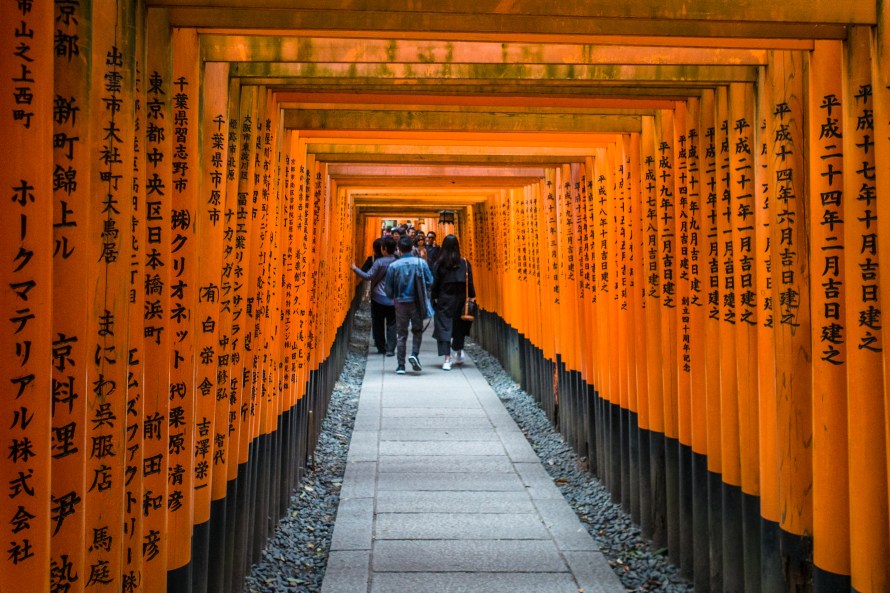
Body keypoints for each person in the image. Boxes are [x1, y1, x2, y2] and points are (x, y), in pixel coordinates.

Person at [384, 236, 433, 374]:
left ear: (399, 249)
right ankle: (414, 355)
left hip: (400, 303)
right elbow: (430, 280)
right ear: (412, 248)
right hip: (417, 302)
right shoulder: (421, 263)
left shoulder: (393, 266)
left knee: (401, 333)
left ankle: (401, 365)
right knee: (417, 330)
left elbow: (388, 289)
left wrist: (393, 298)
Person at [431, 234, 475, 370]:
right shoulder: (464, 263)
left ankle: (446, 360)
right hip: (460, 300)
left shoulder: (439, 264)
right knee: (459, 326)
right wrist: (472, 298)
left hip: (444, 300)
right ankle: (459, 351)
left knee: (444, 327)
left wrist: (434, 298)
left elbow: (435, 285)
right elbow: (470, 284)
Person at [351, 236, 397, 355]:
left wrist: (355, 268)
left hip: (378, 298)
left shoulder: (379, 262)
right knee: (392, 323)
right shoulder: (398, 261)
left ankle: (381, 347)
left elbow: (368, 276)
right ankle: (391, 348)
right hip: (394, 298)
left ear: (384, 248)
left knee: (378, 323)